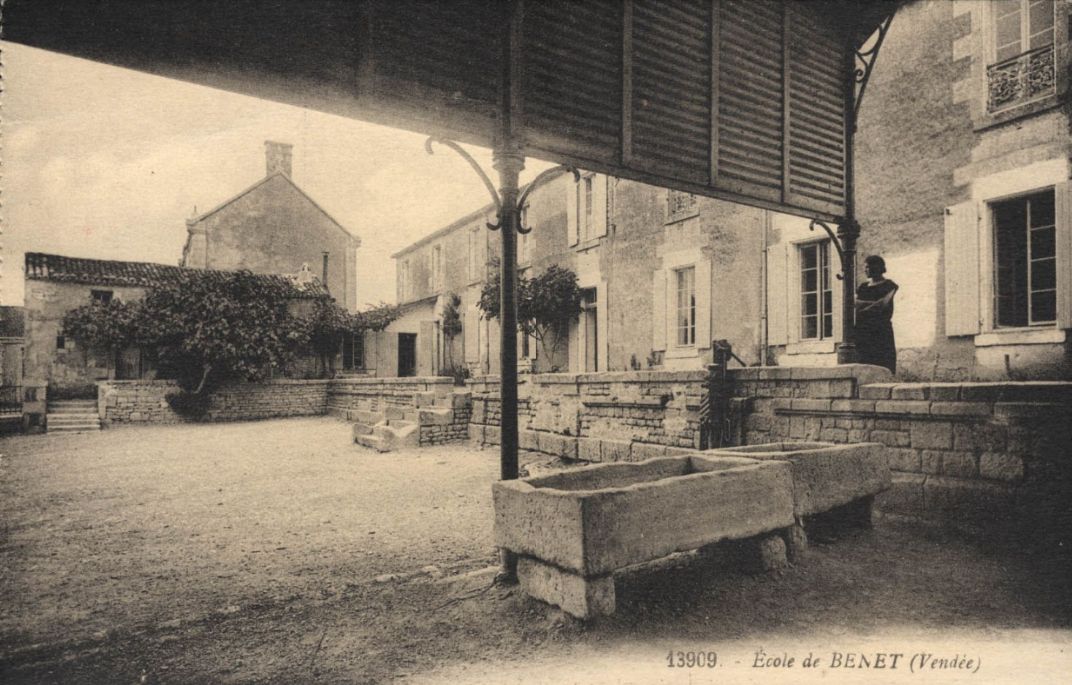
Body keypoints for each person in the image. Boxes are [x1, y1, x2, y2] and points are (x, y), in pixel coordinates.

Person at [855, 255, 898, 373]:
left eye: (868, 267)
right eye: (865, 267)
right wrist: (871, 305)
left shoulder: (889, 285)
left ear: (877, 267)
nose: (865, 270)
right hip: (863, 331)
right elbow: (854, 305)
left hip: (880, 331)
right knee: (864, 364)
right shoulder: (863, 287)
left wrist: (862, 306)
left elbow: (881, 306)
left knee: (882, 364)